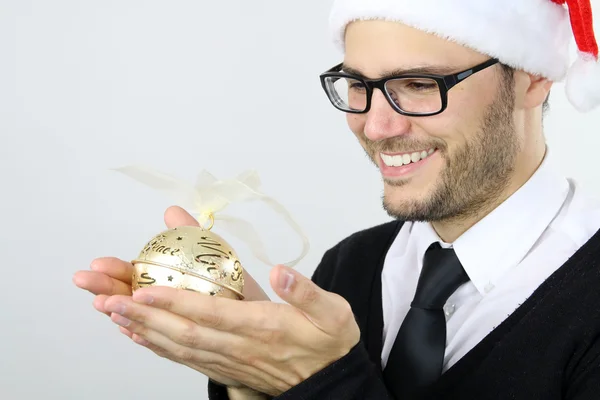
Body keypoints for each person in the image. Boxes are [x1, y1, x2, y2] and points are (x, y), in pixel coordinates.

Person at [73, 0, 600, 399]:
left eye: (418, 84)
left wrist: (319, 382)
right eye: (357, 84)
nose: (376, 125)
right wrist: (252, 377)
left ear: (534, 78)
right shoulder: (351, 266)